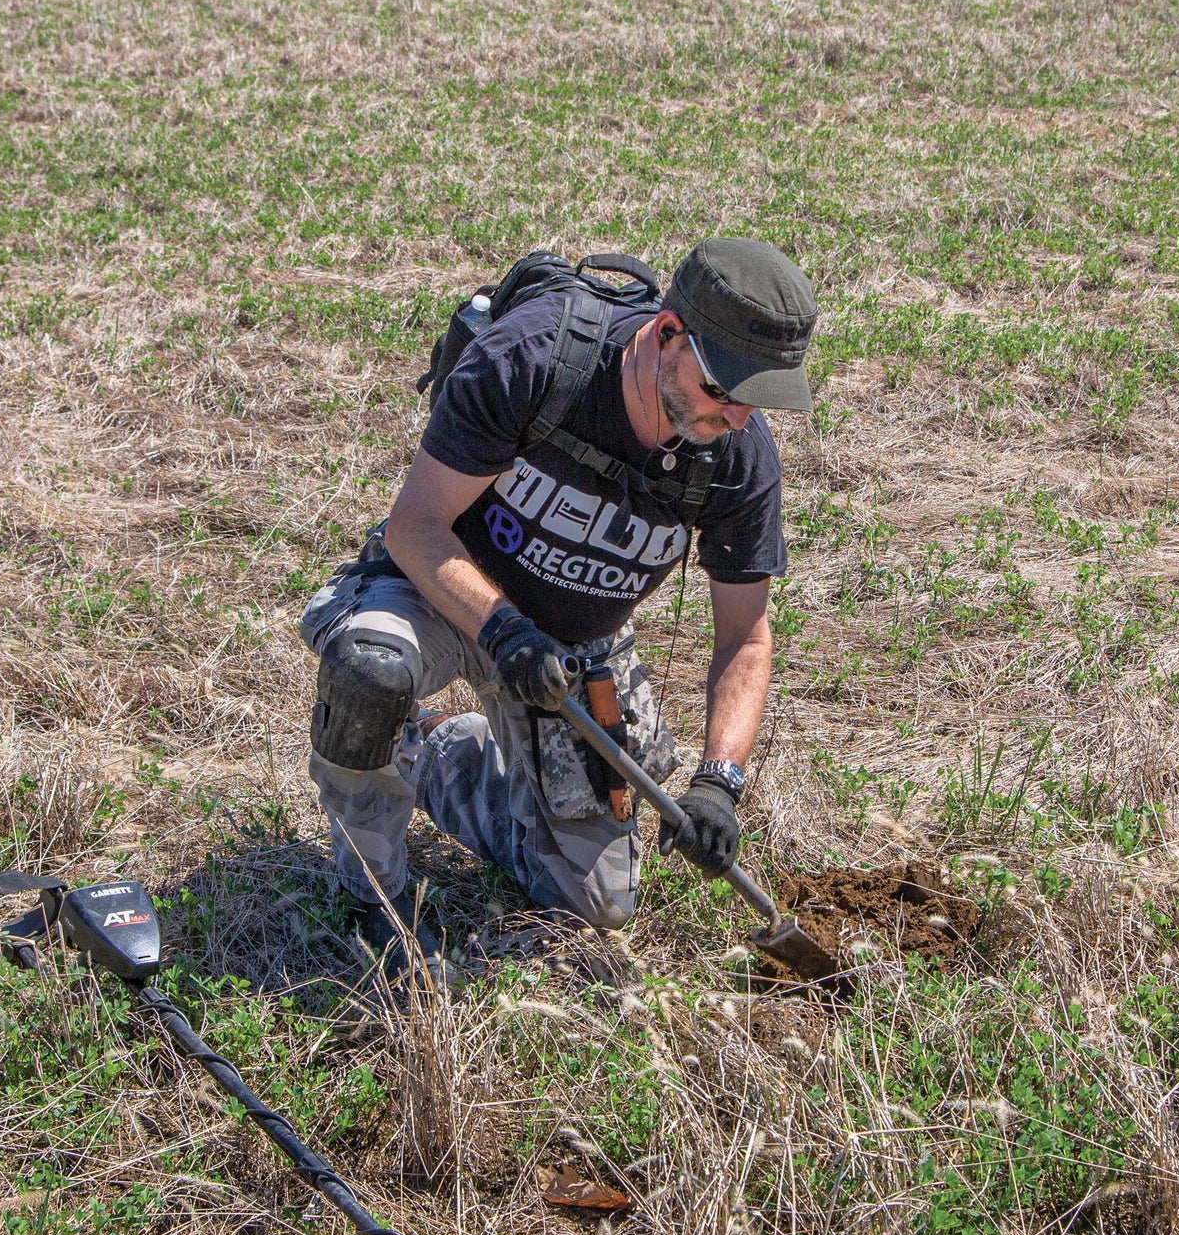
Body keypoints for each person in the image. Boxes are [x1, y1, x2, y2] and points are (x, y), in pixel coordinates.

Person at [299, 238, 817, 980]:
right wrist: (501, 626)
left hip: (574, 645)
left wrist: (717, 782)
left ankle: (432, 751)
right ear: (667, 334)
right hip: (441, 591)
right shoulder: (535, 359)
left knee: (595, 903)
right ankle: (371, 897)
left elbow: (745, 638)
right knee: (369, 671)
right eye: (720, 388)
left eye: (754, 399)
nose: (735, 417)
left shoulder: (737, 457)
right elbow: (414, 527)